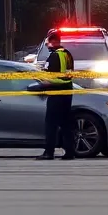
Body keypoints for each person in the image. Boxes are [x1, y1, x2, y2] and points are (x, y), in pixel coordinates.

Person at [36, 29, 76, 160]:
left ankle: (49, 152)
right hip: (67, 93)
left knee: (51, 124)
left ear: (53, 41)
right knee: (65, 124)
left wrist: (42, 80)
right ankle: (70, 152)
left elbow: (51, 77)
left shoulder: (54, 56)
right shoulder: (67, 54)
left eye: (48, 42)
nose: (47, 45)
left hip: (56, 93)